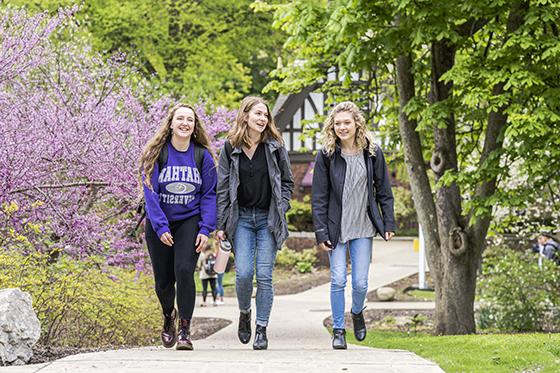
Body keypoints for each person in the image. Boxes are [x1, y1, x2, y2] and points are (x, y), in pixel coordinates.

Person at [311, 101, 396, 350]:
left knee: (360, 283)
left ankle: (357, 312)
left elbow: (384, 191)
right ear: (332, 126)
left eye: (347, 122)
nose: (342, 127)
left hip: (363, 226)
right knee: (338, 279)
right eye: (337, 123)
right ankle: (338, 330)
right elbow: (319, 197)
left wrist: (388, 221)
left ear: (357, 123)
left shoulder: (372, 152)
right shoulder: (326, 155)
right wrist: (321, 232)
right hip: (336, 227)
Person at [216, 96, 294, 350]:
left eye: (266, 115)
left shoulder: (275, 146)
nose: (263, 119)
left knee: (264, 276)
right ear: (246, 115)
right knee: (244, 274)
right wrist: (220, 224)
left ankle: (261, 328)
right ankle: (244, 313)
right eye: (258, 114)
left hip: (268, 218)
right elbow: (223, 188)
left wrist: (281, 206)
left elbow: (287, 182)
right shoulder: (230, 147)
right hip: (241, 219)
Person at [138, 103, 217, 350]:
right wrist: (160, 227)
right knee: (163, 282)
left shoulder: (202, 156)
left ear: (195, 126)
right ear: (171, 123)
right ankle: (168, 316)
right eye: (180, 119)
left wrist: (205, 229)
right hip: (159, 221)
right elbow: (150, 193)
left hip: (189, 221)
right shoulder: (156, 153)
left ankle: (184, 329)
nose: (185, 123)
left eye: (190, 120)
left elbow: (209, 194)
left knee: (184, 271)